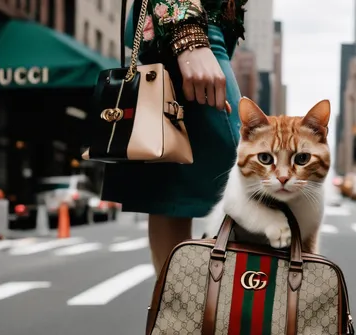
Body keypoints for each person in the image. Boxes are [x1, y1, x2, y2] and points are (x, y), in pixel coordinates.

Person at [101, 0, 247, 274]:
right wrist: (188, 37)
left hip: (198, 26)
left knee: (173, 184)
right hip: (188, 20)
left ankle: (175, 310)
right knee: (245, 171)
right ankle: (191, 307)